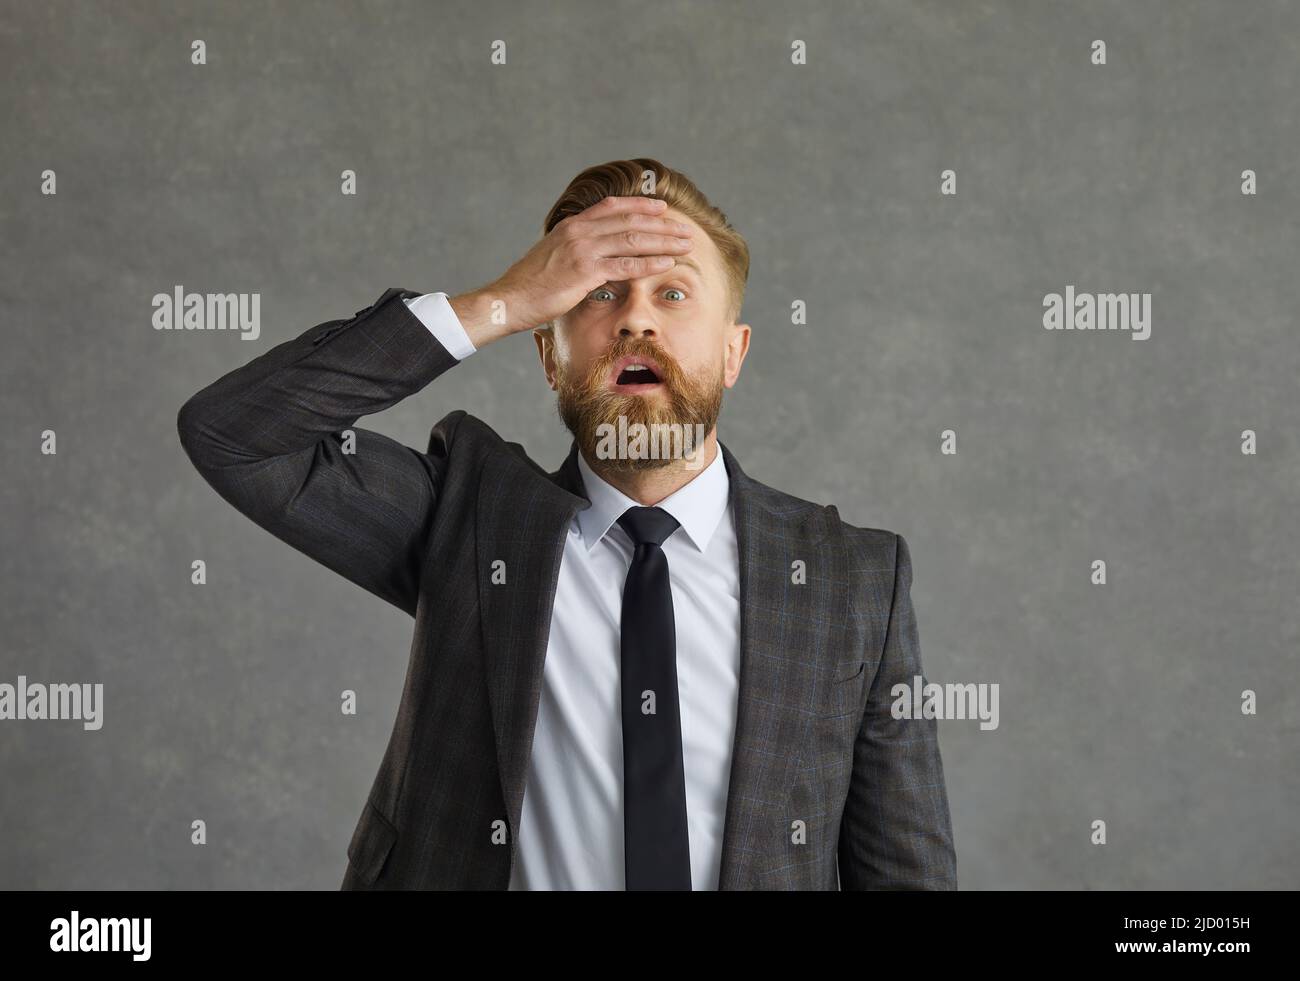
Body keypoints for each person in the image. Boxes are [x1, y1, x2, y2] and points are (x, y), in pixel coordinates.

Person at [176, 157, 957, 890]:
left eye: (674, 294)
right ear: (549, 357)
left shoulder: (854, 578)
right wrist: (501, 304)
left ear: (733, 352)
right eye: (599, 293)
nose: (635, 323)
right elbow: (234, 434)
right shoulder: (470, 522)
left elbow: (904, 872)